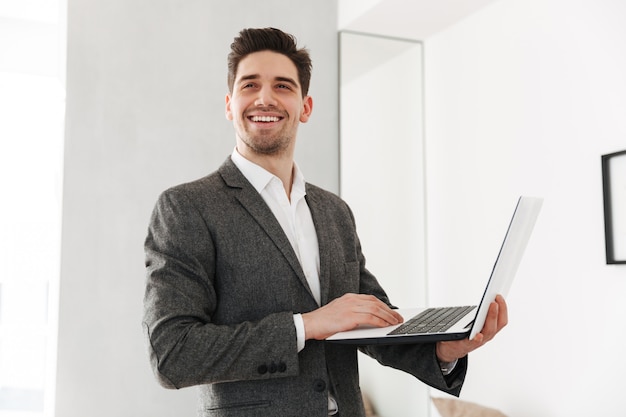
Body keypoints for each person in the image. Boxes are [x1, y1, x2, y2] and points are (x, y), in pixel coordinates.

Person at [143, 27, 508, 417]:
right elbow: (172, 353)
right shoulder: (186, 207)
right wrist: (307, 325)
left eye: (283, 86)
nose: (265, 97)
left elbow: (370, 319)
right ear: (230, 104)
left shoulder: (334, 211)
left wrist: (442, 349)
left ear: (306, 107)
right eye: (250, 85)